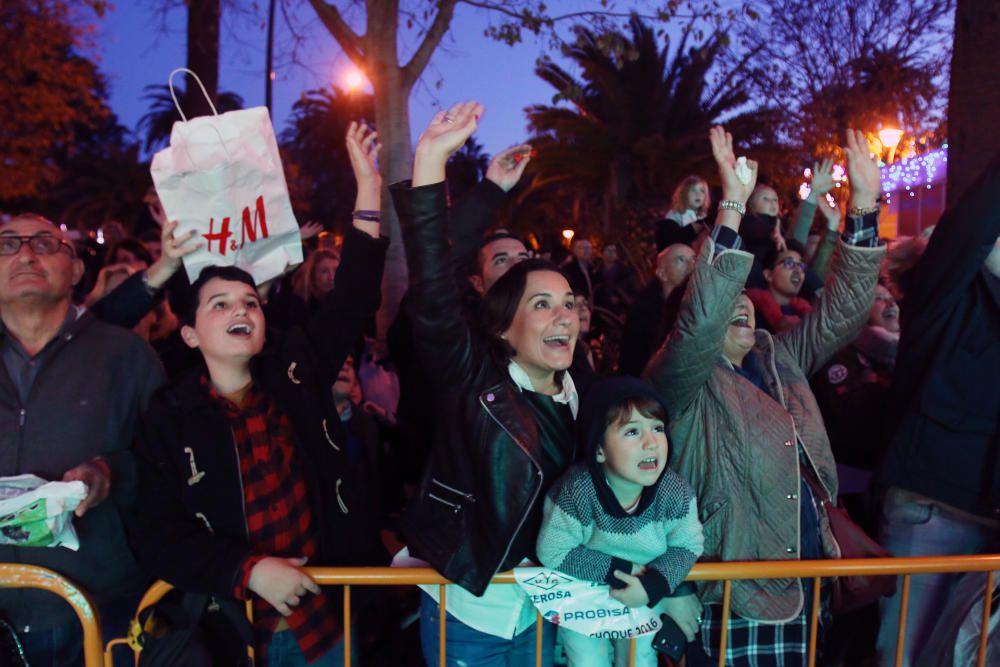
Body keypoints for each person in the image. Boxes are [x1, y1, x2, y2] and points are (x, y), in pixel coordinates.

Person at [127, 122, 389, 666]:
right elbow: (156, 533)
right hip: (231, 628)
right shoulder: (168, 419)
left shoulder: (297, 370)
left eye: (248, 301)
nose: (240, 309)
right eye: (219, 304)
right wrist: (247, 571)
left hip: (325, 618)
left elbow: (357, 293)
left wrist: (367, 186)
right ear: (192, 334)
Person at [644, 126, 885, 665]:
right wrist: (731, 204)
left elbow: (843, 313)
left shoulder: (777, 358)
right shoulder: (680, 377)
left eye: (747, 296)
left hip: (805, 581)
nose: (742, 302)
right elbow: (702, 316)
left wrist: (863, 207)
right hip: (734, 593)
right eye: (728, 294)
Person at [390, 101, 581, 667]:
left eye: (569, 303)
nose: (563, 316)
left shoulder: (580, 397)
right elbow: (430, 283)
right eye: (542, 304)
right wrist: (436, 164)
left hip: (547, 611)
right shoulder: (474, 380)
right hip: (471, 612)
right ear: (503, 325)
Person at [0, 214, 166, 665]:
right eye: (8, 244)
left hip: (96, 610)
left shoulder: (126, 355)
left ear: (76, 270)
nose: (25, 254)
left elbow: (164, 466)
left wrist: (109, 472)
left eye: (44, 244)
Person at [875, 152, 1000, 667]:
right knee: (908, 654)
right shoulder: (944, 297)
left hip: (989, 515)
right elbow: (968, 229)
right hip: (933, 510)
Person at [537, 376, 704, 666]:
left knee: (640, 659)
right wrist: (622, 571)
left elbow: (687, 546)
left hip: (643, 592)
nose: (651, 442)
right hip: (584, 596)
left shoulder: (675, 492)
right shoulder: (577, 490)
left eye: (658, 428)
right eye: (631, 432)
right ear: (598, 450)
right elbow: (553, 550)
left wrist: (651, 586)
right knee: (589, 661)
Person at [618, 243, 695, 376]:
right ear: (661, 273)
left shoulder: (692, 306)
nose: (691, 265)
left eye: (694, 259)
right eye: (681, 259)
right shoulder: (643, 312)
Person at [745, 240, 812, 334]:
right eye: (789, 263)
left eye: (801, 265)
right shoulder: (749, 309)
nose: (798, 270)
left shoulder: (808, 315)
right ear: (769, 275)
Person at [655, 176, 712, 251]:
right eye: (693, 191)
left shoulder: (703, 216)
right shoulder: (674, 215)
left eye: (702, 191)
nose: (698, 195)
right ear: (684, 194)